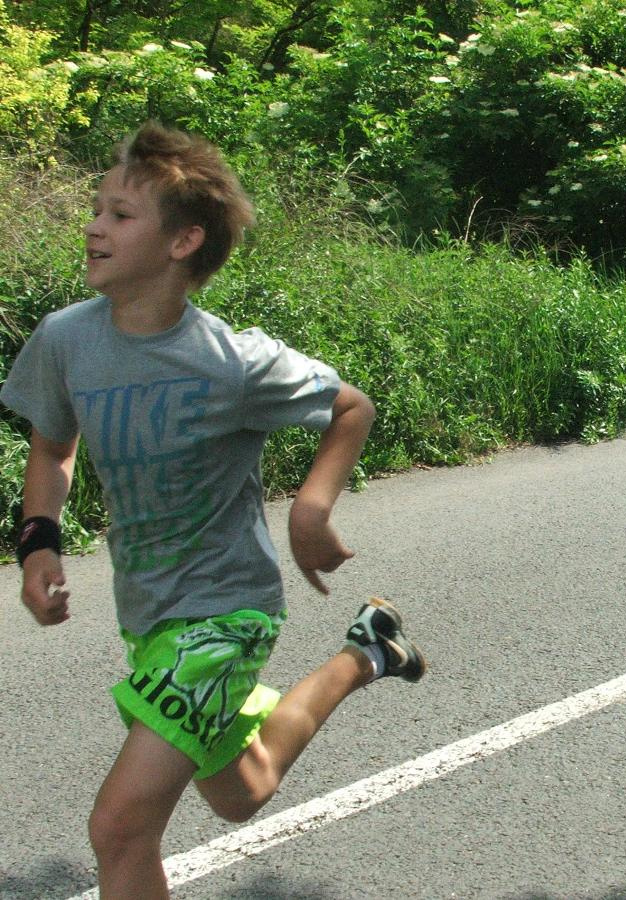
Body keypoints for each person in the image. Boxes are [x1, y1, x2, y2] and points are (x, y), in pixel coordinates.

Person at [2, 121, 427, 898]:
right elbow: (51, 446)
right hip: (152, 611)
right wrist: (39, 544)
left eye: (121, 215)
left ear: (182, 241)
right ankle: (369, 652)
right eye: (97, 208)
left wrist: (310, 510)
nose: (95, 225)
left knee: (121, 826)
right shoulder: (66, 341)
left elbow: (351, 407)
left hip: (225, 612)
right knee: (244, 789)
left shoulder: (233, 363)